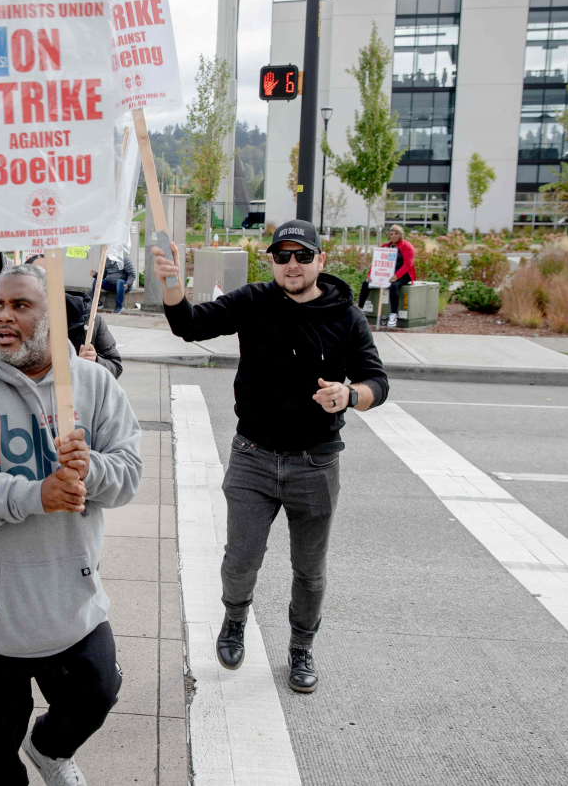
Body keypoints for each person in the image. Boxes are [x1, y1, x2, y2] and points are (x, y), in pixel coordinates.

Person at [0, 264, 143, 786]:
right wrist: (35, 495)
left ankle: (48, 748)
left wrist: (93, 470)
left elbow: (129, 474)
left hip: (71, 596)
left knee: (97, 693)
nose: (3, 317)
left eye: (21, 306)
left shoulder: (93, 385)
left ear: (54, 319)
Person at [152, 219, 389, 694]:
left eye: (302, 255)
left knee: (309, 569)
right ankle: (235, 619)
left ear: (321, 260)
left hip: (316, 464)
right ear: (272, 262)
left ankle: (301, 647)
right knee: (240, 560)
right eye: (282, 256)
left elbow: (377, 382)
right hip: (253, 457)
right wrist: (172, 285)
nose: (292, 264)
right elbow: (189, 325)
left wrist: (349, 394)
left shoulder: (346, 316)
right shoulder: (254, 301)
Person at [23, 253, 123, 378]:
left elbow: (115, 367)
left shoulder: (88, 318)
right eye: (38, 276)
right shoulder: (14, 323)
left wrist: (95, 361)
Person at [356, 224, 416, 328]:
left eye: (396, 234)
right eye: (391, 234)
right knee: (366, 284)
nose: (393, 236)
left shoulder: (407, 247)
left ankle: (393, 315)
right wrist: (370, 275)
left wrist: (396, 276)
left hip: (402, 275)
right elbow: (376, 262)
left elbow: (408, 264)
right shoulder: (385, 246)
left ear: (401, 235)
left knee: (393, 286)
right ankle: (360, 310)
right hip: (385, 274)